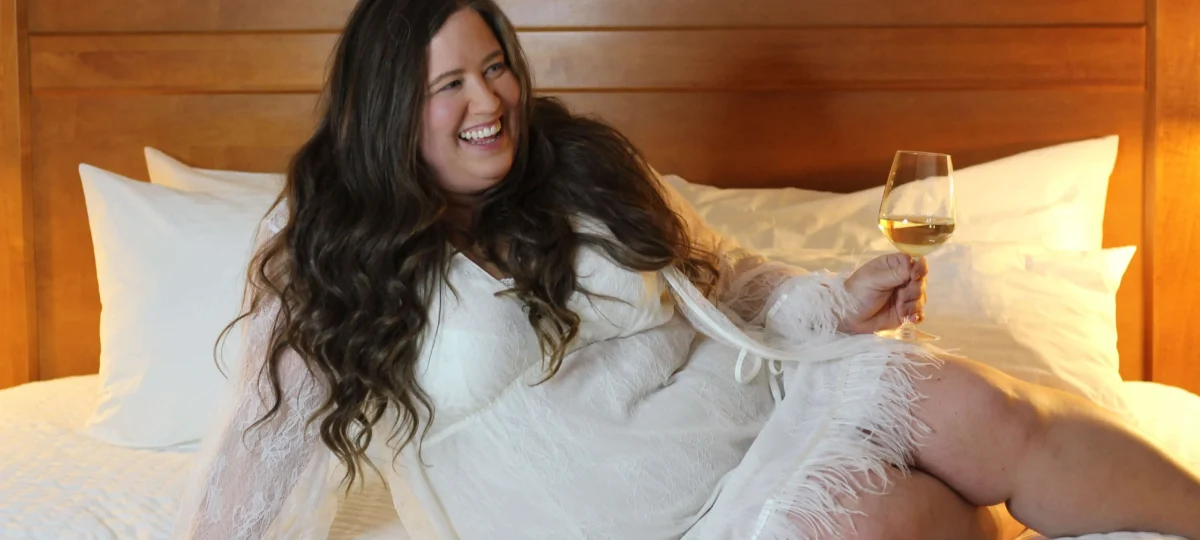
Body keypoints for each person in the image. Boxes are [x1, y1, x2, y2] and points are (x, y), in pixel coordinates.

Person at [172, 0, 1200, 538]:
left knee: (974, 404)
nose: (488, 100)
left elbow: (721, 279)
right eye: (448, 83)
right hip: (640, 523)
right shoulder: (333, 267)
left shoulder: (574, 167)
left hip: (750, 412)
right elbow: (246, 491)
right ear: (388, 104)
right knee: (902, 518)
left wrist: (836, 301)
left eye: (494, 66)